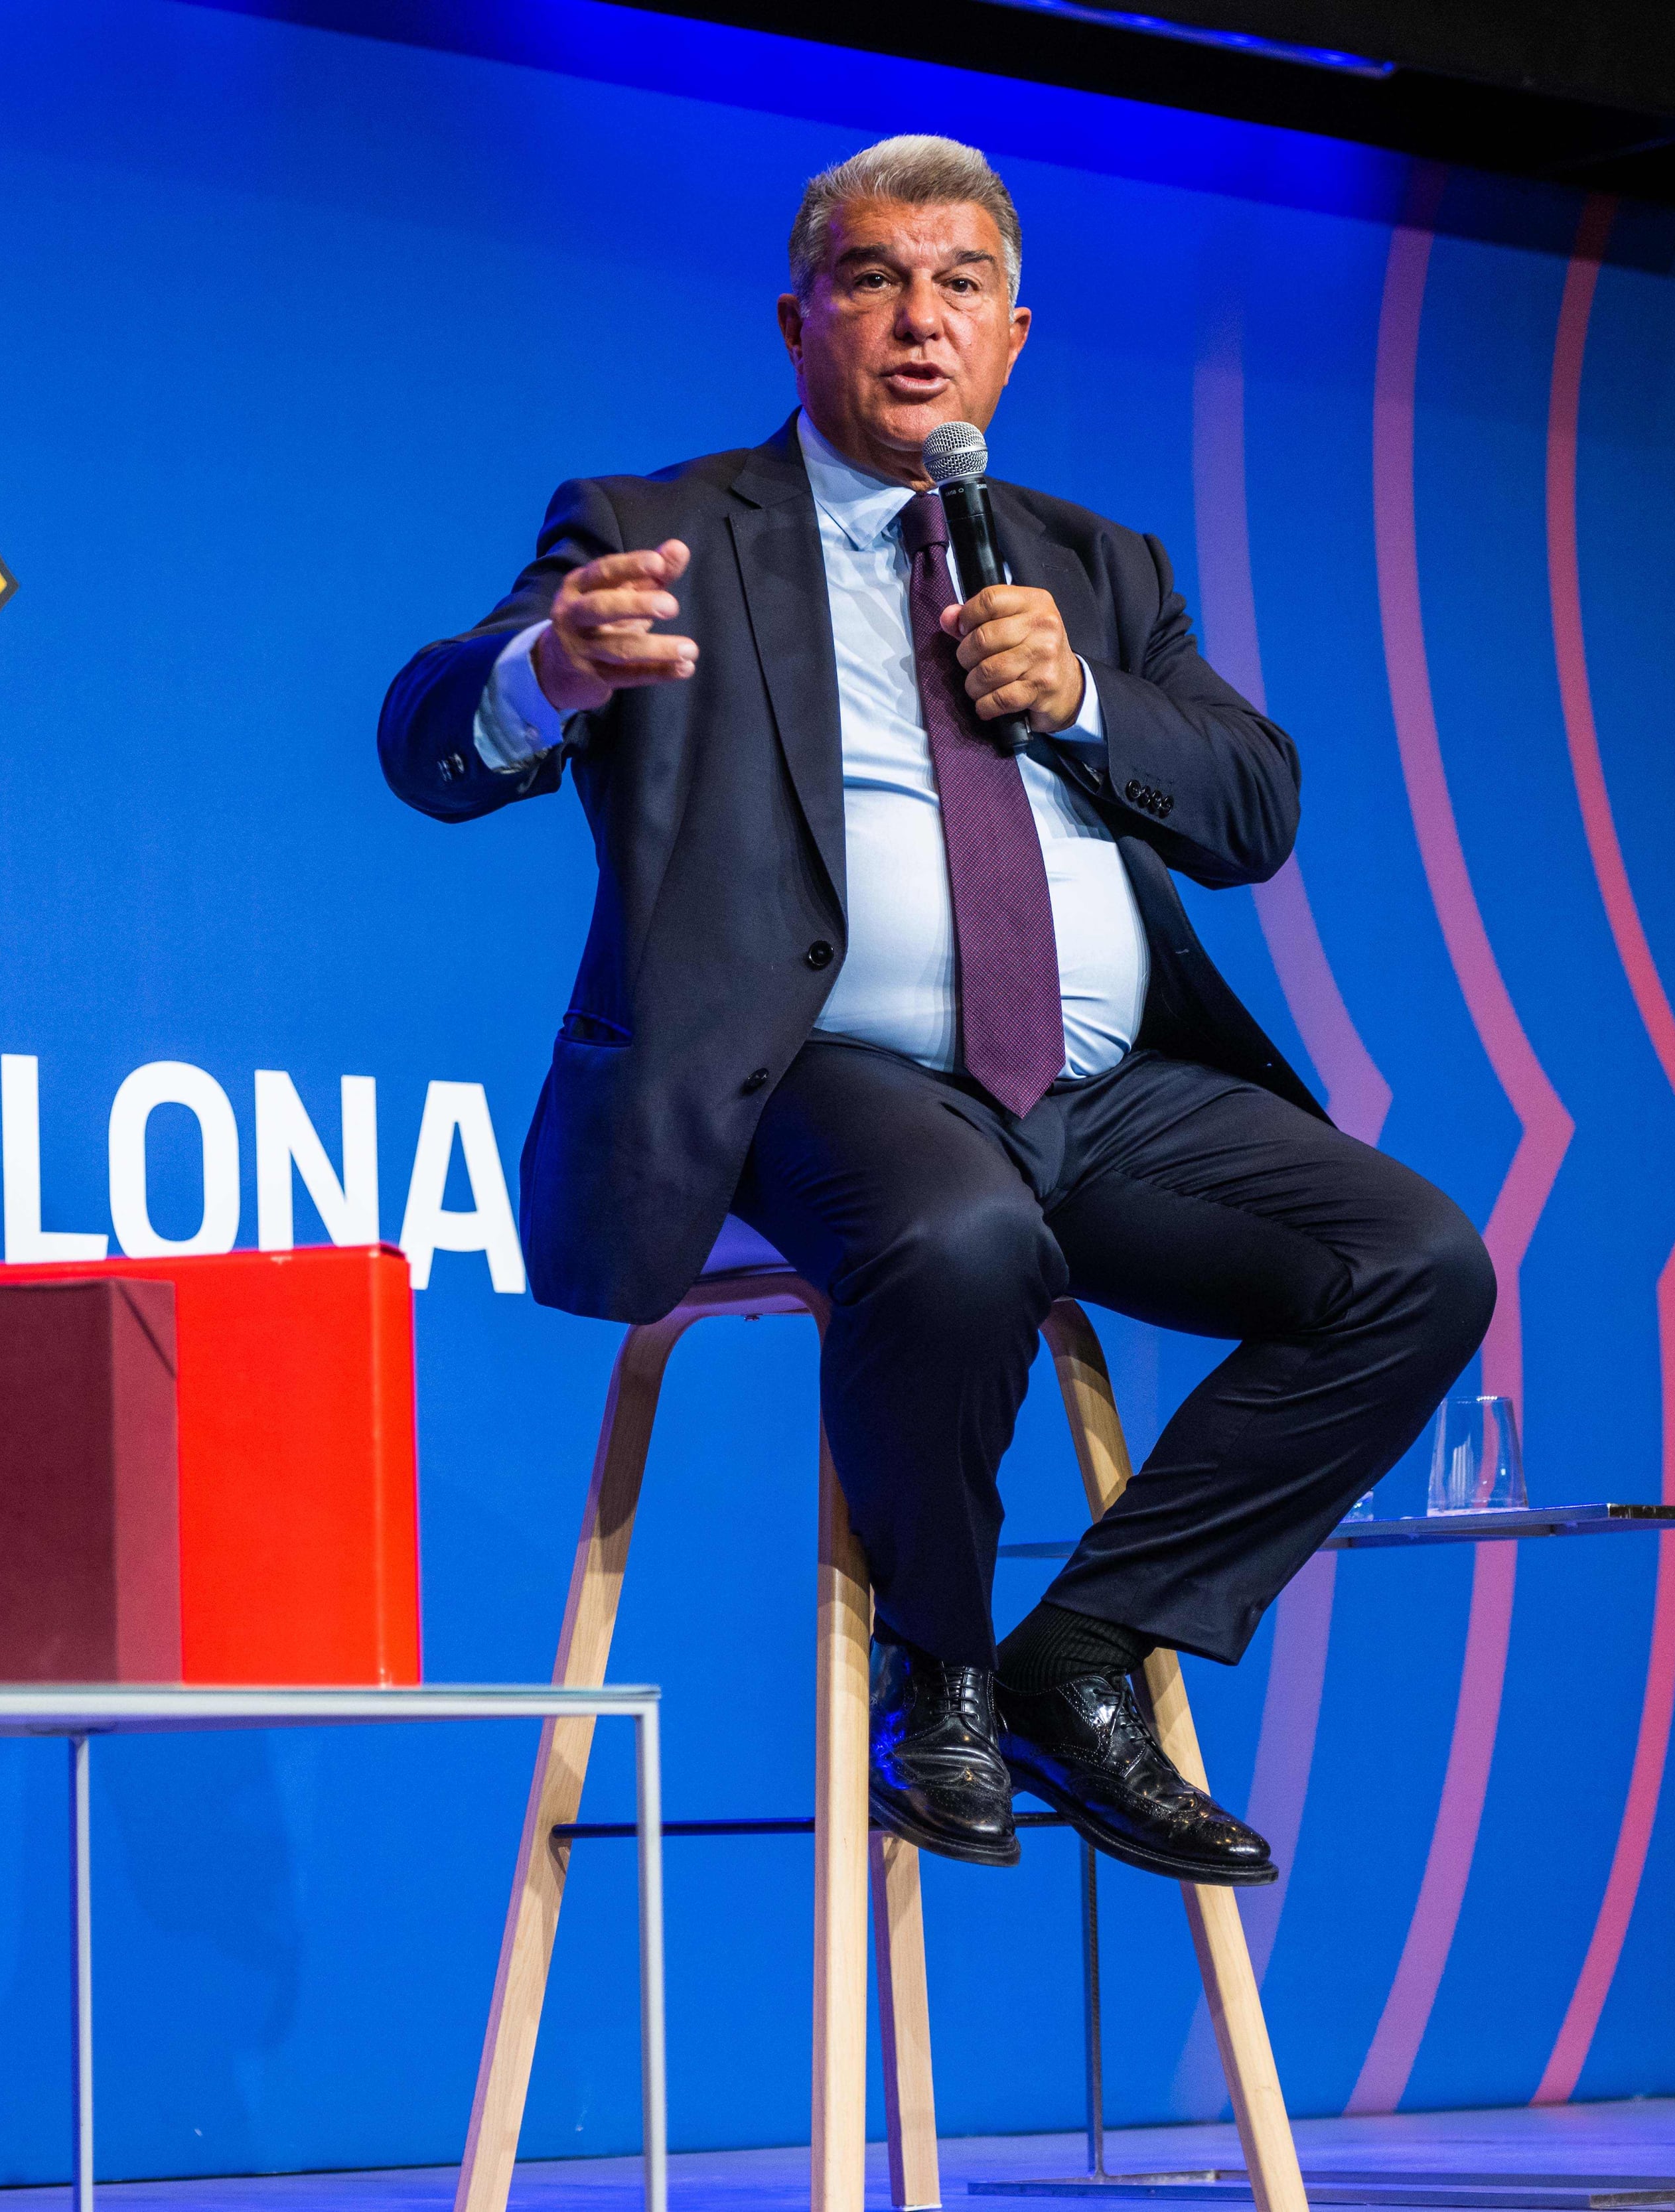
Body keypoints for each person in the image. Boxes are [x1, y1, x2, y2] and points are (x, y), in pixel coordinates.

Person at [376, 135, 1493, 1885]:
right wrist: (552, 672)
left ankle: (1087, 1650)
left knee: (1416, 1263)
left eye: (961, 285)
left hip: (1110, 1096)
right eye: (877, 278)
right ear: (798, 317)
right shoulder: (657, 531)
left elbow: (1256, 806)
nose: (920, 321)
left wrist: (1094, 703)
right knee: (965, 1236)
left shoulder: (1096, 566)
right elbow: (427, 741)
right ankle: (942, 1672)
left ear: (1015, 334)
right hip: (822, 1078)